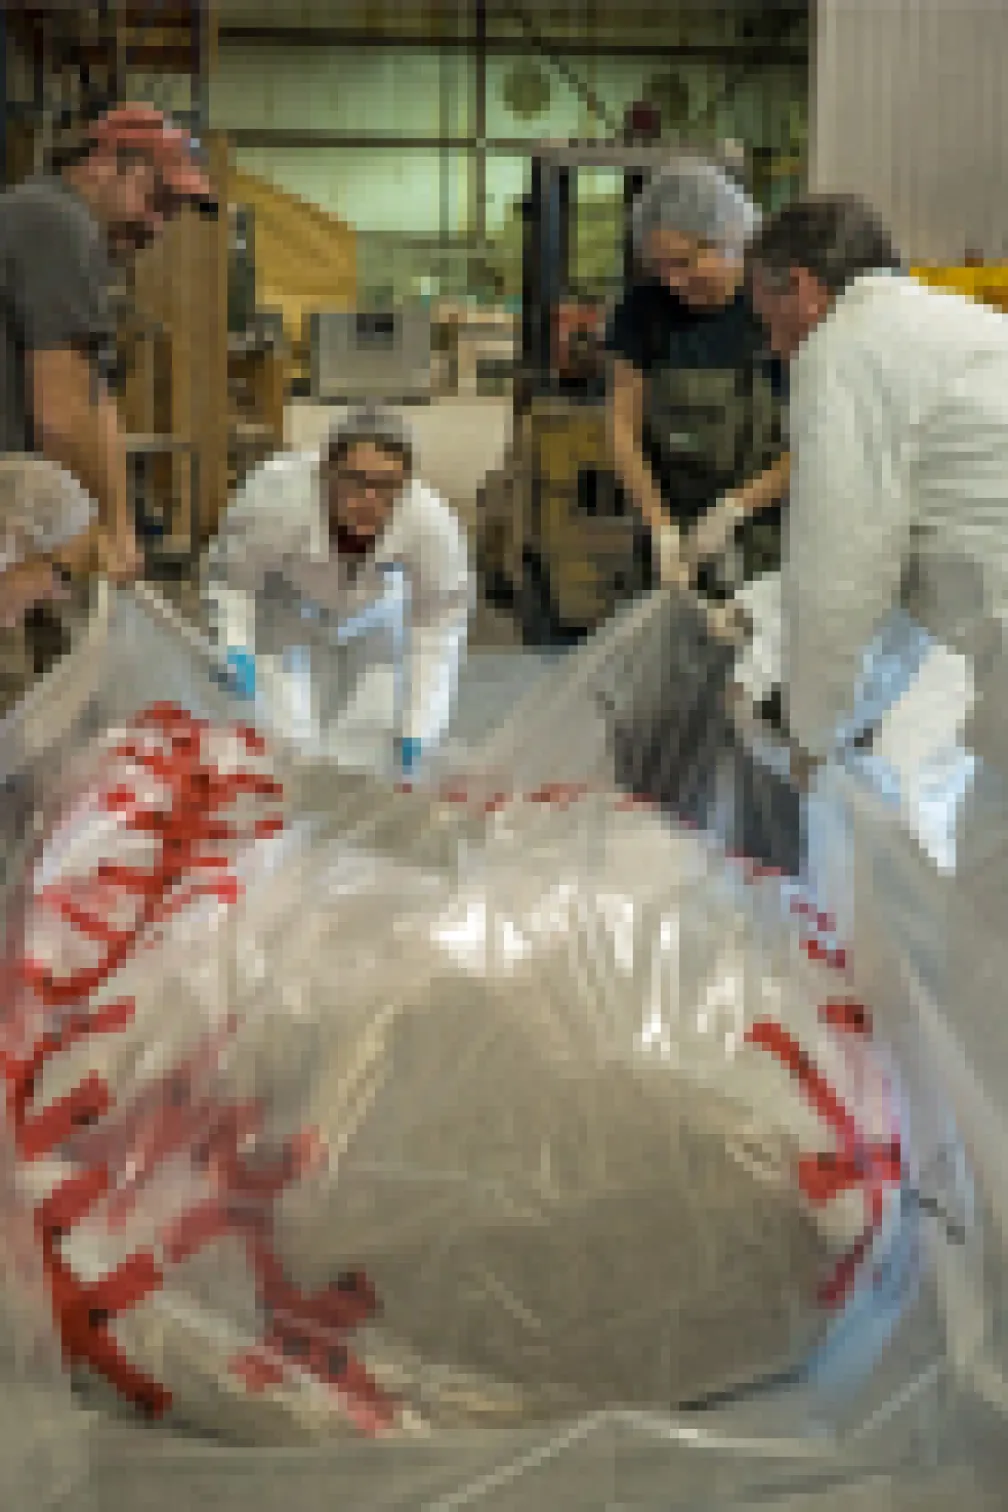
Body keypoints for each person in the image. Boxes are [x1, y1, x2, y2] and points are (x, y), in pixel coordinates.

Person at [745, 192, 1008, 769]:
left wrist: (810, 733)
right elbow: (900, 578)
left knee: (991, 832)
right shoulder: (951, 326)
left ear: (804, 287)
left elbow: (839, 573)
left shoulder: (843, 350)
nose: (773, 344)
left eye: (769, 317)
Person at [0, 103, 213, 627]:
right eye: (155, 199)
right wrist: (93, 537)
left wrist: (119, 529)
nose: (156, 226)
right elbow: (62, 415)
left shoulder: (75, 238)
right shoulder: (55, 222)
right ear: (107, 163)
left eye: (170, 214)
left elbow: (98, 400)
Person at [204, 407, 472, 774]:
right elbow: (234, 582)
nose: (369, 500)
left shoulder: (430, 524)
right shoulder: (276, 501)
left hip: (375, 619)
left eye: (388, 486)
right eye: (355, 480)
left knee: (370, 749)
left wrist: (420, 727)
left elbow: (438, 624)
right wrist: (234, 645)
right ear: (326, 473)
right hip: (287, 613)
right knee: (283, 746)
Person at [606, 158, 790, 596]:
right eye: (661, 267)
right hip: (677, 535)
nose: (673, 281)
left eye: (685, 262)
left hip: (771, 537)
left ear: (731, 240)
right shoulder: (642, 312)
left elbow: (815, 439)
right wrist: (661, 527)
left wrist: (734, 509)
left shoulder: (777, 307)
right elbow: (623, 428)